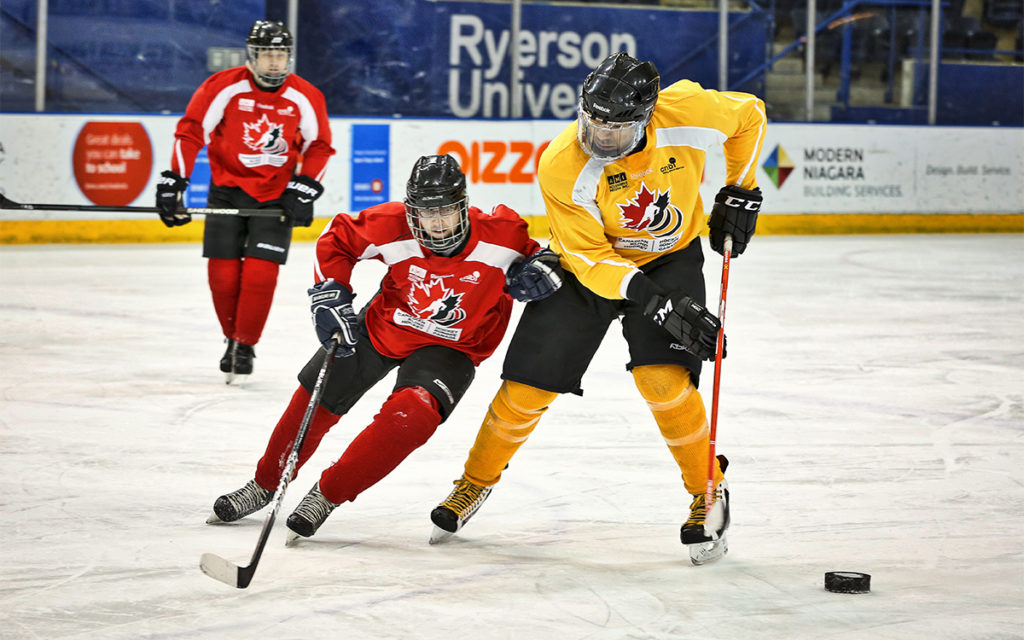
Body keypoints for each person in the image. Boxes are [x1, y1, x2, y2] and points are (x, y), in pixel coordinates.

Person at [429, 52, 766, 564]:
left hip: (670, 260)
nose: (600, 137)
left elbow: (750, 115)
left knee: (662, 380)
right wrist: (653, 303)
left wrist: (741, 189)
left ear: (648, 115)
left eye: (616, 129)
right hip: (588, 269)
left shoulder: (690, 109)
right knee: (527, 384)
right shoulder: (562, 161)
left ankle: (707, 489)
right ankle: (473, 483)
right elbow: (588, 256)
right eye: (593, 122)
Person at [205, 154, 564, 542]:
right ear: (411, 212)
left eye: (445, 212)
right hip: (383, 329)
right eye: (426, 214)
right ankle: (265, 483)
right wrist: (330, 294)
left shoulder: (502, 235)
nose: (437, 225)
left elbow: (542, 256)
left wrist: (546, 266)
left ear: (463, 206)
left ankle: (327, 495)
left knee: (411, 417)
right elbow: (337, 238)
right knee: (317, 391)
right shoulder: (391, 224)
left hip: (454, 348)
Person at [155, 20, 335, 383]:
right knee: (222, 275)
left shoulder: (304, 95)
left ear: (289, 58)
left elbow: (320, 146)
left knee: (259, 273)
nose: (274, 62)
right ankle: (231, 337)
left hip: (275, 195)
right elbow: (192, 131)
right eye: (267, 54)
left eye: (280, 55)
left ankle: (244, 344)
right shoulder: (224, 87)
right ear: (252, 55)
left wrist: (305, 185)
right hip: (226, 188)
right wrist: (176, 179)